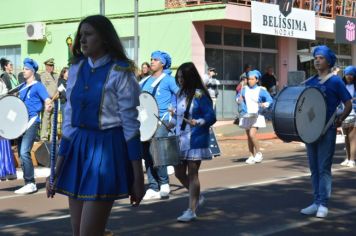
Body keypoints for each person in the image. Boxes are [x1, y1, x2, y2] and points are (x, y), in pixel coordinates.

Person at [46, 15, 144, 236]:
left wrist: (138, 177)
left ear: (105, 38)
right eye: (81, 34)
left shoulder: (121, 71)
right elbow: (70, 125)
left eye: (88, 34)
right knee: (78, 232)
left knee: (88, 233)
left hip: (107, 150)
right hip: (78, 148)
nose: (82, 39)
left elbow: (130, 127)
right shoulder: (76, 69)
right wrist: (55, 171)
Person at [300, 45, 352, 218]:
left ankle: (323, 204)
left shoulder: (336, 81)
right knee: (314, 168)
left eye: (321, 57)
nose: (317, 60)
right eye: (315, 57)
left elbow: (348, 104)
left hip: (327, 130)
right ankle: (316, 202)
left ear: (329, 61)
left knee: (324, 168)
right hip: (310, 131)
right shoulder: (311, 81)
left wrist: (340, 119)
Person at [171, 62, 216, 222]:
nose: (180, 80)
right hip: (180, 138)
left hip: (195, 138)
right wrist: (170, 122)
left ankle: (191, 210)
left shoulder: (199, 94)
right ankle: (197, 195)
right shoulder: (178, 94)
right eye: (179, 77)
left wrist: (199, 121)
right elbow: (177, 117)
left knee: (192, 173)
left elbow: (211, 116)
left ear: (191, 78)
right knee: (178, 173)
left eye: (183, 77)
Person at [140, 50, 179, 200]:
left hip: (162, 120)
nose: (152, 62)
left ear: (163, 63)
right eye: (151, 59)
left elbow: (180, 95)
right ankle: (153, 186)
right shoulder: (144, 81)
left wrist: (175, 110)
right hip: (145, 122)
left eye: (155, 59)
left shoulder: (169, 80)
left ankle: (164, 183)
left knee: (155, 150)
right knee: (146, 154)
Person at [14, 58, 52, 194]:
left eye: (25, 69)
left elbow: (47, 100)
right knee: (20, 153)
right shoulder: (21, 87)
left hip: (32, 121)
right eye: (23, 68)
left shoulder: (38, 86)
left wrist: (48, 105)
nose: (23, 71)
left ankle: (31, 183)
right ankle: (27, 181)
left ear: (32, 71)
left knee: (24, 151)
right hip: (20, 123)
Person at [237, 70, 273, 165]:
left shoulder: (261, 90)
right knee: (249, 136)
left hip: (257, 115)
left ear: (257, 80)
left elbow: (270, 100)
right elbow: (238, 98)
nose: (250, 81)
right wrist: (239, 100)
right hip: (246, 115)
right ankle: (251, 155)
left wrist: (264, 104)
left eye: (252, 79)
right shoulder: (244, 89)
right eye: (249, 79)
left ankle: (259, 153)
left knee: (252, 134)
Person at [0, 75, 17, 181]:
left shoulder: (1, 81)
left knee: (4, 141)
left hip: (2, 111)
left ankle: (5, 170)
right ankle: (6, 170)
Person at [339, 66, 356, 168]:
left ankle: (352, 160)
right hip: (344, 113)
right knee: (345, 137)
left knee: (352, 137)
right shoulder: (342, 85)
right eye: (347, 74)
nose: (349, 76)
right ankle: (348, 158)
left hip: (354, 112)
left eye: (351, 74)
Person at [40, 58, 59, 141]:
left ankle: (53, 137)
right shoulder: (43, 75)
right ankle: (43, 138)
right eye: (50, 65)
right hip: (47, 100)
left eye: (52, 65)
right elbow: (43, 88)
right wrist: (49, 97)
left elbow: (58, 86)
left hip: (55, 100)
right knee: (45, 119)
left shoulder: (56, 75)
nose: (51, 67)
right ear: (46, 66)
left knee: (54, 120)